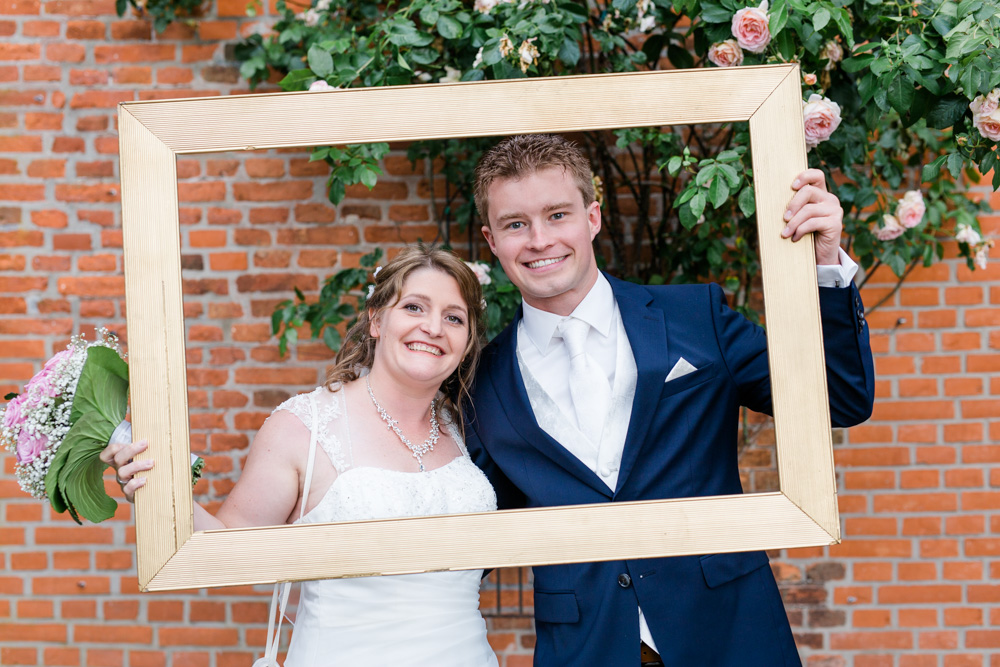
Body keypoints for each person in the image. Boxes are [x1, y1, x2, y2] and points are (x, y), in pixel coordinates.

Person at [464, 134, 875, 667]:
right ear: (491, 240)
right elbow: (472, 537)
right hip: (585, 650)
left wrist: (824, 265)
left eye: (557, 214)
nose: (539, 239)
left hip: (728, 634)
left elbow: (840, 400)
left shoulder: (695, 316)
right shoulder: (482, 381)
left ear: (592, 218)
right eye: (515, 224)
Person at [103, 246, 500, 667]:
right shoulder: (304, 427)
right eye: (414, 307)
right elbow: (227, 545)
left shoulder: (466, 423)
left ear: (468, 339)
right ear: (377, 320)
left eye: (454, 317)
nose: (434, 327)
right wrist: (156, 485)